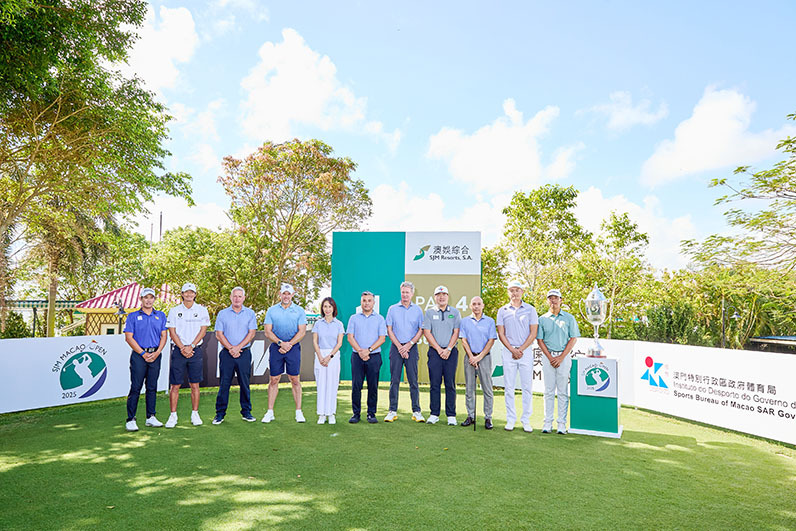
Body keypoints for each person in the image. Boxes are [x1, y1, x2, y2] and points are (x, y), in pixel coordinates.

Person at [164, 282, 211, 428]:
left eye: (191, 292)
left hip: (195, 350)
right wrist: (183, 347)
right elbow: (172, 332)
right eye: (186, 292)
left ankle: (195, 414)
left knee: (195, 384)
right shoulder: (174, 311)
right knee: (175, 385)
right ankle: (173, 415)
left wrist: (191, 346)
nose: (189, 294)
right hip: (179, 351)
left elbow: (203, 330)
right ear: (182, 294)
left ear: (195, 294)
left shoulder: (202, 310)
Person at [123, 287, 168, 431]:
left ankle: (151, 417)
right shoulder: (133, 316)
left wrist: (158, 352)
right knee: (136, 387)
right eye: (145, 297)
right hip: (139, 356)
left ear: (154, 299)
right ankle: (131, 419)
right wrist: (143, 353)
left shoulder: (160, 315)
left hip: (155, 355)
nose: (148, 300)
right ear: (141, 299)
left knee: (152, 387)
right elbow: (129, 337)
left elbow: (164, 335)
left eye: (151, 297)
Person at [496, 280, 538, 432]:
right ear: (508, 293)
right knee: (509, 387)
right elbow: (501, 333)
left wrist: (520, 349)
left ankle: (526, 420)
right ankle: (511, 419)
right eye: (512, 290)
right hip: (509, 351)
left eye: (517, 290)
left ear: (522, 292)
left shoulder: (531, 310)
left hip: (525, 351)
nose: (514, 293)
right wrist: (512, 350)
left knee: (527, 387)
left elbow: (533, 333)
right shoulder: (502, 310)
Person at [262, 283, 307, 423]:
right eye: (284, 293)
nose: (286, 296)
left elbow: (302, 331)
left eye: (289, 294)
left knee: (295, 380)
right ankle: (270, 412)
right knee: (274, 380)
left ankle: (298, 412)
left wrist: (289, 345)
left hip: (293, 348)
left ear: (292, 295)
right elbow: (267, 331)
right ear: (280, 294)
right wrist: (281, 343)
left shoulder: (299, 311)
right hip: (277, 347)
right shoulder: (272, 310)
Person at [537, 289, 580, 434]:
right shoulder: (542, 319)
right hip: (548, 356)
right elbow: (540, 340)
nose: (553, 300)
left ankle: (561, 423)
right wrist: (550, 358)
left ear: (561, 300)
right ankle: (547, 422)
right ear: (547, 300)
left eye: (556, 297)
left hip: (564, 357)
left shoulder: (569, 318)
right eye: (550, 298)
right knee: (548, 391)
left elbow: (573, 338)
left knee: (562, 391)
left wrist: (561, 357)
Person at [213, 286, 258, 425]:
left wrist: (238, 347)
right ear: (230, 297)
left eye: (239, 296)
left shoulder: (250, 313)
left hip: (244, 353)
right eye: (235, 296)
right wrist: (231, 348)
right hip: (227, 354)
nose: (237, 298)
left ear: (244, 298)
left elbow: (251, 333)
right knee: (224, 384)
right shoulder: (222, 314)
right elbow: (219, 334)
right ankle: (220, 414)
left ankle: (246, 412)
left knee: (244, 384)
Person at [384, 281, 425, 423]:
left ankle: (416, 411)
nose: (405, 295)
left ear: (412, 294)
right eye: (403, 292)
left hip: (411, 348)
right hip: (396, 348)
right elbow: (389, 330)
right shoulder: (392, 309)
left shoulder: (418, 310)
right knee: (394, 380)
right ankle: (392, 411)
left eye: (407, 292)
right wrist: (400, 347)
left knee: (413, 381)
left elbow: (421, 330)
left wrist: (408, 345)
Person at [422, 285, 461, 426]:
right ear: (435, 297)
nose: (441, 297)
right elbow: (427, 332)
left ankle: (451, 415)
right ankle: (434, 414)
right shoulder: (429, 312)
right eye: (438, 295)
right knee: (435, 384)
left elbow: (456, 332)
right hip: (435, 352)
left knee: (450, 384)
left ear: (448, 296)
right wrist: (439, 349)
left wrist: (448, 349)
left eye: (444, 294)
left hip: (451, 352)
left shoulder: (455, 312)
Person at [346, 291, 386, 424]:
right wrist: (360, 351)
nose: (366, 303)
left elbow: (382, 339)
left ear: (373, 303)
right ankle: (356, 414)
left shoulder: (380, 319)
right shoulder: (354, 318)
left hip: (374, 356)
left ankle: (371, 413)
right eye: (364, 300)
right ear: (361, 302)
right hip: (357, 356)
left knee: (373, 386)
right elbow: (350, 337)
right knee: (356, 385)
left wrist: (368, 350)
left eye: (369, 301)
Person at [459, 296, 496, 429]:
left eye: (478, 304)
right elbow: (463, 340)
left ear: (482, 306)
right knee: (469, 388)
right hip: (470, 357)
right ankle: (470, 416)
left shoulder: (490, 321)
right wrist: (471, 357)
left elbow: (491, 341)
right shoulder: (465, 321)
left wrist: (479, 357)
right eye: (474, 304)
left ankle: (488, 417)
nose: (476, 306)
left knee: (487, 388)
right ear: (470, 306)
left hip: (484, 357)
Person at [312, 297, 345, 424]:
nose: (327, 309)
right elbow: (315, 341)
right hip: (320, 355)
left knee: (332, 384)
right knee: (321, 384)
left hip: (333, 356)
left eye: (329, 306)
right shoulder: (318, 324)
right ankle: (321, 414)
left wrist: (329, 356)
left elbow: (339, 343)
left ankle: (331, 413)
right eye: (325, 306)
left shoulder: (339, 324)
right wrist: (320, 357)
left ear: (333, 308)